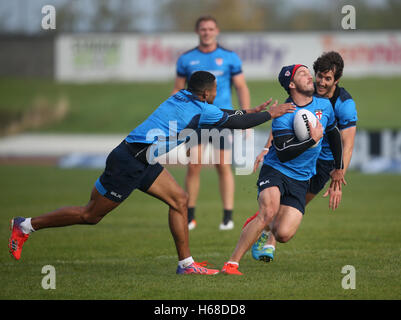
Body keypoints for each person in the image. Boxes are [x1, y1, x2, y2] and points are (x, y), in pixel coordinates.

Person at [8, 71, 295, 276]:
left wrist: (245, 110)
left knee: (180, 200)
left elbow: (220, 113)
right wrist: (271, 113)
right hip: (130, 162)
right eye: (215, 89)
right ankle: (25, 225)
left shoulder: (183, 96)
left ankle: (186, 264)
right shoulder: (201, 108)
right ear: (206, 93)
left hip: (138, 156)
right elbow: (237, 124)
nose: (215, 93)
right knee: (90, 215)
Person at [221, 64, 345, 275]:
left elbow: (333, 133)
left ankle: (261, 224)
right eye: (302, 74)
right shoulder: (283, 114)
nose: (309, 77)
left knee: (283, 234)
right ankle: (231, 264)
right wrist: (311, 141)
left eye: (308, 72)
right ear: (291, 84)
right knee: (268, 212)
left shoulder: (324, 105)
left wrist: (339, 167)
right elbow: (285, 152)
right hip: (276, 170)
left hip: (301, 179)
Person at [249, 52, 358, 263]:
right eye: (319, 76)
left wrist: (338, 175)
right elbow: (286, 123)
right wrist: (266, 148)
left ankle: (268, 232)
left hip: (324, 161)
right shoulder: (305, 92)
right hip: (299, 155)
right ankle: (268, 239)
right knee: (279, 204)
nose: (322, 82)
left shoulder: (344, 104)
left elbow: (348, 143)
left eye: (328, 79)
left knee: (298, 205)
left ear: (337, 80)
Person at [171, 15, 251, 231]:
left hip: (221, 119)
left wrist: (244, 117)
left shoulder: (229, 57)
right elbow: (177, 90)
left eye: (210, 29)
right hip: (195, 119)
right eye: (203, 29)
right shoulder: (186, 59)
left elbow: (241, 87)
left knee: (222, 165)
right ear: (198, 31)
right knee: (194, 166)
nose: (207, 32)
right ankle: (190, 216)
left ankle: (227, 216)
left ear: (217, 31)